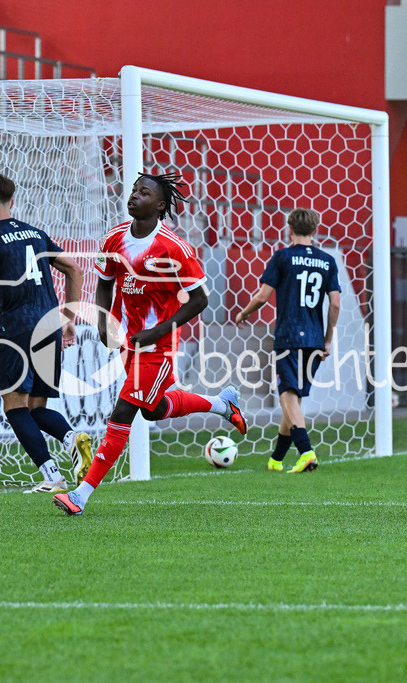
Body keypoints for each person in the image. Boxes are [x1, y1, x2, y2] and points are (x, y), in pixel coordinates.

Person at [53, 171, 247, 516]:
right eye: (133, 190)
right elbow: (104, 282)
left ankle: (80, 495)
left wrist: (158, 332)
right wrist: (102, 322)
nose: (134, 196)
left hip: (158, 346)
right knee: (151, 409)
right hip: (128, 341)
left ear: (159, 206)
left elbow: (200, 299)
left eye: (144, 193)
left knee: (123, 411)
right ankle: (221, 404)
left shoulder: (175, 248)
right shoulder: (113, 238)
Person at [0, 173, 93, 493]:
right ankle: (72, 439)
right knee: (37, 409)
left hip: (17, 328)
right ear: (13, 202)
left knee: (15, 407)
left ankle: (52, 476)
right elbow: (75, 269)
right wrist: (69, 318)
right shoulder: (37, 234)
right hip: (50, 325)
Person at [234, 208, 340, 473]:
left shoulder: (282, 257)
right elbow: (336, 303)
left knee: (286, 395)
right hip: (315, 338)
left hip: (289, 336)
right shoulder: (327, 261)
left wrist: (244, 313)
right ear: (315, 231)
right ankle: (276, 459)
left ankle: (306, 452)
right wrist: (327, 339)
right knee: (294, 399)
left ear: (289, 229)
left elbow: (262, 296)